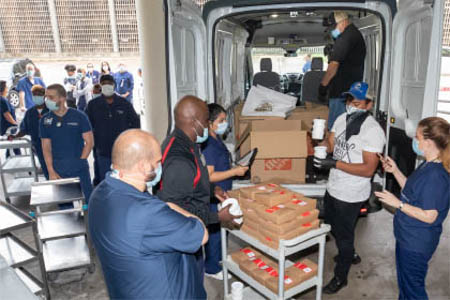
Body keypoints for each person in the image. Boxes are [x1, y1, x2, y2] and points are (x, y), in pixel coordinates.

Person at [89, 129, 207, 299]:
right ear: (143, 166)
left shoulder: (99, 193)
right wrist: (170, 205)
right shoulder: (148, 213)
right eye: (158, 162)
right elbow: (201, 234)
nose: (161, 167)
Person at [314, 82, 386, 294]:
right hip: (334, 185)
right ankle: (351, 253)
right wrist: (321, 144)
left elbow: (367, 169)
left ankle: (341, 276)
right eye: (349, 100)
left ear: (369, 104)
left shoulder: (372, 131)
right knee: (331, 224)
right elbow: (331, 143)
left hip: (352, 192)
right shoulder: (341, 119)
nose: (351, 105)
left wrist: (334, 163)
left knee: (344, 237)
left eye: (357, 101)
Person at [156, 95, 239, 277]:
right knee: (190, 282)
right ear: (195, 122)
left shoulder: (187, 142)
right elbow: (178, 210)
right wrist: (217, 216)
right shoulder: (179, 160)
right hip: (183, 236)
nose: (208, 124)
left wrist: (212, 189)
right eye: (205, 120)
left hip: (192, 229)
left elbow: (194, 180)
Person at [375, 117, 449, 300]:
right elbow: (412, 190)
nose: (414, 141)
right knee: (406, 285)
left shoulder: (436, 177)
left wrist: (397, 203)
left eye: (417, 137)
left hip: (416, 243)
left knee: (413, 289)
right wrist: (395, 171)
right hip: (408, 236)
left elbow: (430, 215)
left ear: (429, 142)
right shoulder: (428, 163)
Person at [202, 103, 248, 280]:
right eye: (221, 120)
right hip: (215, 193)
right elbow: (210, 176)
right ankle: (212, 268)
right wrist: (235, 172)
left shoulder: (215, 138)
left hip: (224, 191)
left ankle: (220, 260)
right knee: (214, 231)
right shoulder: (208, 146)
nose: (225, 123)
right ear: (210, 122)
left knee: (223, 228)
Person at [40, 84, 94, 202]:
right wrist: (51, 171)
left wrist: (80, 161)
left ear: (62, 98)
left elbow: (89, 142)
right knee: (64, 206)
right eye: (46, 97)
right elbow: (46, 147)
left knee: (88, 202)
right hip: (58, 169)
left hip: (80, 168)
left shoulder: (79, 116)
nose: (47, 100)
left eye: (51, 97)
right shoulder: (45, 120)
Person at [86, 74, 140, 182]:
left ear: (114, 85)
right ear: (100, 86)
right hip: (102, 149)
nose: (107, 86)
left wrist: (131, 140)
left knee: (124, 179)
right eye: (104, 84)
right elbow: (86, 125)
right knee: (105, 179)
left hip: (122, 149)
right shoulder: (93, 105)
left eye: (109, 84)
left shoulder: (124, 103)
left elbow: (135, 122)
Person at [318, 11, 366, 130]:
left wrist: (323, 86)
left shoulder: (345, 38)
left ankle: (331, 149)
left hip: (341, 93)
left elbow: (333, 66)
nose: (333, 30)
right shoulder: (353, 34)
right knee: (342, 128)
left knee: (335, 129)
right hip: (349, 91)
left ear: (343, 22)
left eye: (334, 27)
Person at [10, 85, 49, 179]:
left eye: (39, 95)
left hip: (53, 146)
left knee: (56, 168)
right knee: (45, 168)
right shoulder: (30, 113)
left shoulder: (51, 111)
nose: (36, 97)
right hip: (38, 146)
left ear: (44, 96)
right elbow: (24, 129)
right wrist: (15, 136)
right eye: (34, 95)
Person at [0, 81, 20, 157]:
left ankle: (10, 158)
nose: (7, 89)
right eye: (6, 87)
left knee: (11, 146)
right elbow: (6, 115)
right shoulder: (2, 100)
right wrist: (15, 124)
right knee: (15, 146)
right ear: (3, 89)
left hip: (8, 127)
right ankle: (19, 160)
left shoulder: (3, 99)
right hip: (9, 127)